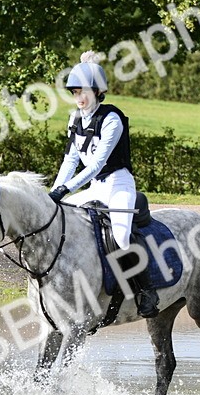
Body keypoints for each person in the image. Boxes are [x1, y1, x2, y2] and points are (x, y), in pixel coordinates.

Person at [49, 52, 159, 318]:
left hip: (118, 184)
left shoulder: (112, 119)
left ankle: (147, 292)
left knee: (120, 237)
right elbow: (70, 160)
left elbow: (96, 164)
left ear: (99, 91)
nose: (79, 98)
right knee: (58, 218)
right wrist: (54, 192)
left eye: (84, 92)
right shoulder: (74, 119)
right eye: (75, 93)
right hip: (94, 186)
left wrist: (67, 189)